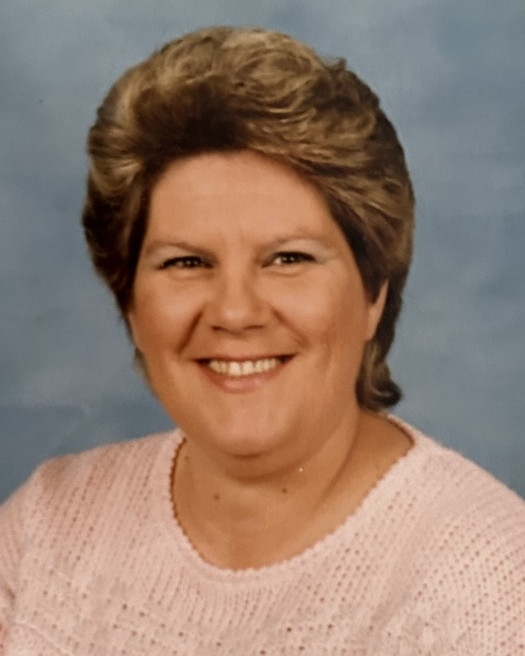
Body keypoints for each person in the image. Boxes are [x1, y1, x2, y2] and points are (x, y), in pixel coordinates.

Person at [0, 26, 523, 655]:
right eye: (186, 262)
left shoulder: (492, 585)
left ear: (373, 292)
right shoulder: (46, 526)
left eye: (288, 259)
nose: (235, 312)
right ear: (130, 302)